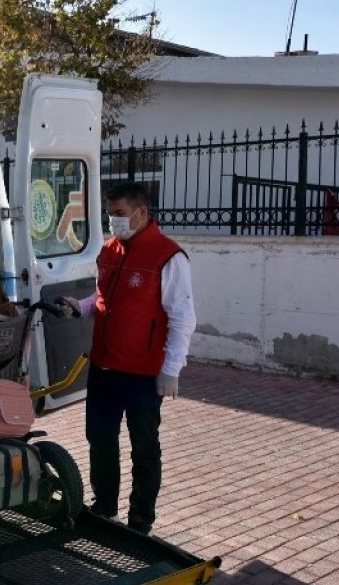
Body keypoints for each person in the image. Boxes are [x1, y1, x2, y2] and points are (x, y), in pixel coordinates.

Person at [59, 182, 196, 535]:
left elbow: (182, 317)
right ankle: (104, 506)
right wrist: (82, 307)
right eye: (110, 213)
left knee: (144, 449)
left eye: (119, 214)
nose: (113, 220)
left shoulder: (168, 256)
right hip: (104, 367)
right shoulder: (109, 250)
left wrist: (171, 369)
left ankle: (140, 520)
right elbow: (103, 297)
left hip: (142, 374)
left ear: (141, 213)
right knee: (100, 439)